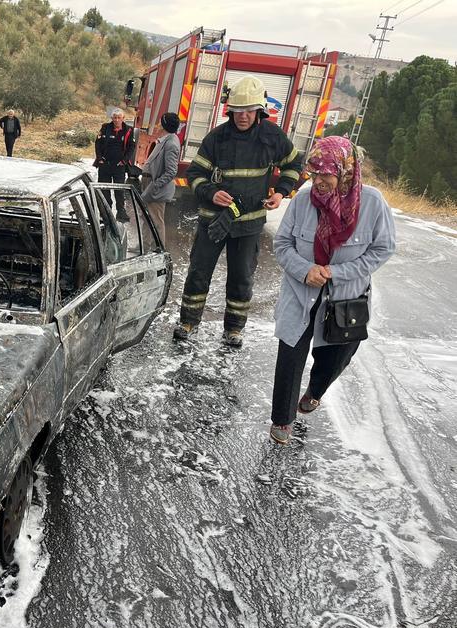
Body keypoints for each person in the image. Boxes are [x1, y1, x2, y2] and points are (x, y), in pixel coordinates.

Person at [269, 137, 395, 444]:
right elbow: (282, 244)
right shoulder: (302, 200)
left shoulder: (373, 203)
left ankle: (315, 391)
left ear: (347, 171)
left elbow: (382, 249)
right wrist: (305, 269)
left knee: (337, 357)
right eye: (315, 173)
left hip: (345, 298)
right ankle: (282, 420)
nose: (319, 181)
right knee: (290, 356)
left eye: (327, 174)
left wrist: (336, 273)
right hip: (301, 294)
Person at [176, 75, 303, 348]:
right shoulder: (216, 138)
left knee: (241, 277)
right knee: (199, 271)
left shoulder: (272, 137)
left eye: (247, 111)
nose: (242, 117)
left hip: (248, 224)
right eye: (236, 111)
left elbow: (295, 165)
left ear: (259, 111)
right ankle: (188, 321)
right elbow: (195, 174)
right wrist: (210, 192)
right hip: (214, 221)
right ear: (229, 111)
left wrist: (281, 192)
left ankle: (233, 329)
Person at [140, 112, 181, 247]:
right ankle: (145, 245)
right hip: (150, 184)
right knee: (146, 216)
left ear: (164, 125)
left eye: (160, 122)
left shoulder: (171, 144)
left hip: (156, 189)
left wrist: (155, 185)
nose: (157, 125)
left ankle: (159, 249)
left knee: (156, 220)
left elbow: (171, 171)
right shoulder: (164, 140)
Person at [94, 108, 135, 221]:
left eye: (119, 118)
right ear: (112, 118)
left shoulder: (128, 130)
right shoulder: (105, 128)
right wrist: (99, 159)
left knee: (119, 191)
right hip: (105, 165)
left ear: (123, 118)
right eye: (115, 117)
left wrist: (124, 161)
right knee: (104, 190)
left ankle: (121, 213)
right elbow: (97, 144)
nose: (117, 120)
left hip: (119, 166)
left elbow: (131, 147)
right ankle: (106, 213)